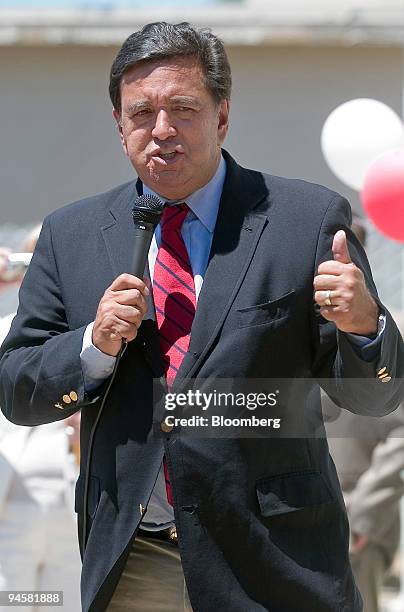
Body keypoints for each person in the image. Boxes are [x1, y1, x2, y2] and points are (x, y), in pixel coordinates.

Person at [0, 21, 403, 612]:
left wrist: (365, 329)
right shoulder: (72, 235)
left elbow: (373, 399)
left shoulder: (305, 219)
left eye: (183, 109)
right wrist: (93, 345)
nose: (161, 131)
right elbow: (17, 388)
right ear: (119, 127)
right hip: (136, 558)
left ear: (221, 117)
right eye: (141, 114)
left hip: (272, 558)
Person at [324, 217, 404, 612]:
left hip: (361, 521)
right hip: (302, 511)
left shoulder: (394, 336)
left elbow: (401, 443)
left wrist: (362, 514)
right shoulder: (298, 330)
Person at [0, 229, 82, 612]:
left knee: (63, 603)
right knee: (12, 601)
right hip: (11, 506)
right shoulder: (5, 327)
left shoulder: (97, 323)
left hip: (71, 504)